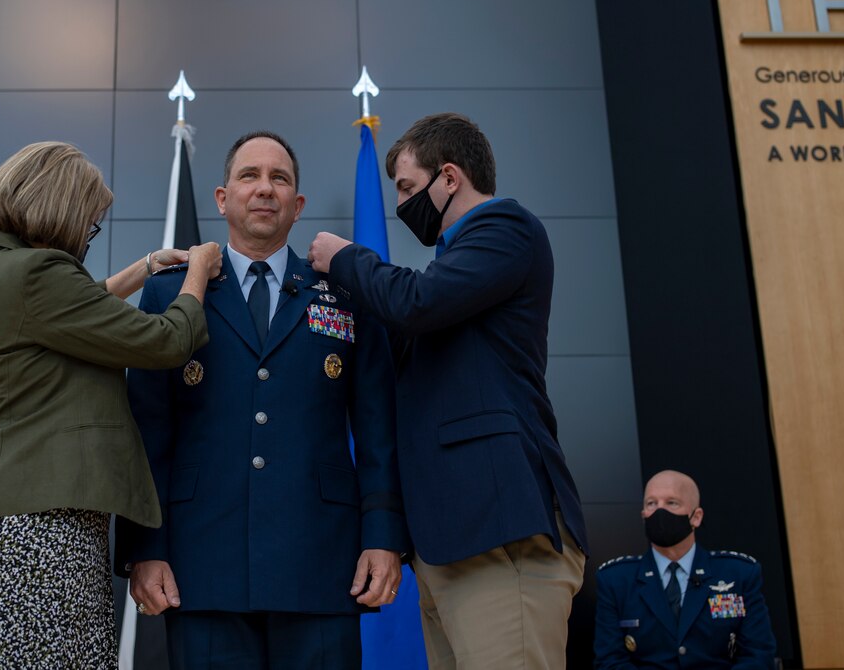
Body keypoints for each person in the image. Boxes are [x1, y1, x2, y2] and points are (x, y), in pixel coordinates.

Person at [116, 131, 410, 670]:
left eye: (279, 179)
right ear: (223, 199)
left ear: (297, 206)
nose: (264, 189)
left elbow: (377, 429)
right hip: (201, 567)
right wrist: (146, 548)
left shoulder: (344, 291)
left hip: (322, 565)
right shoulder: (170, 292)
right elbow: (146, 432)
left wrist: (384, 536)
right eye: (249, 176)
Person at [306, 112, 588, 669]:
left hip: (499, 535)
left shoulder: (505, 228)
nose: (403, 204)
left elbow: (417, 302)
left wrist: (344, 258)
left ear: (450, 177)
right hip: (451, 546)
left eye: (409, 188)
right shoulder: (456, 269)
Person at [0, 141, 222, 668]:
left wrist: (143, 268)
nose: (87, 236)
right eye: (90, 224)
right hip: (41, 531)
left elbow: (71, 313)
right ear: (63, 209)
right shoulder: (39, 274)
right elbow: (164, 341)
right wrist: (198, 270)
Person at [593, 470, 777, 669]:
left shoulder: (738, 574)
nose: (659, 511)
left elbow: (758, 656)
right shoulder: (616, 581)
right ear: (643, 515)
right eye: (651, 504)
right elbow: (610, 661)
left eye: (671, 503)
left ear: (696, 517)